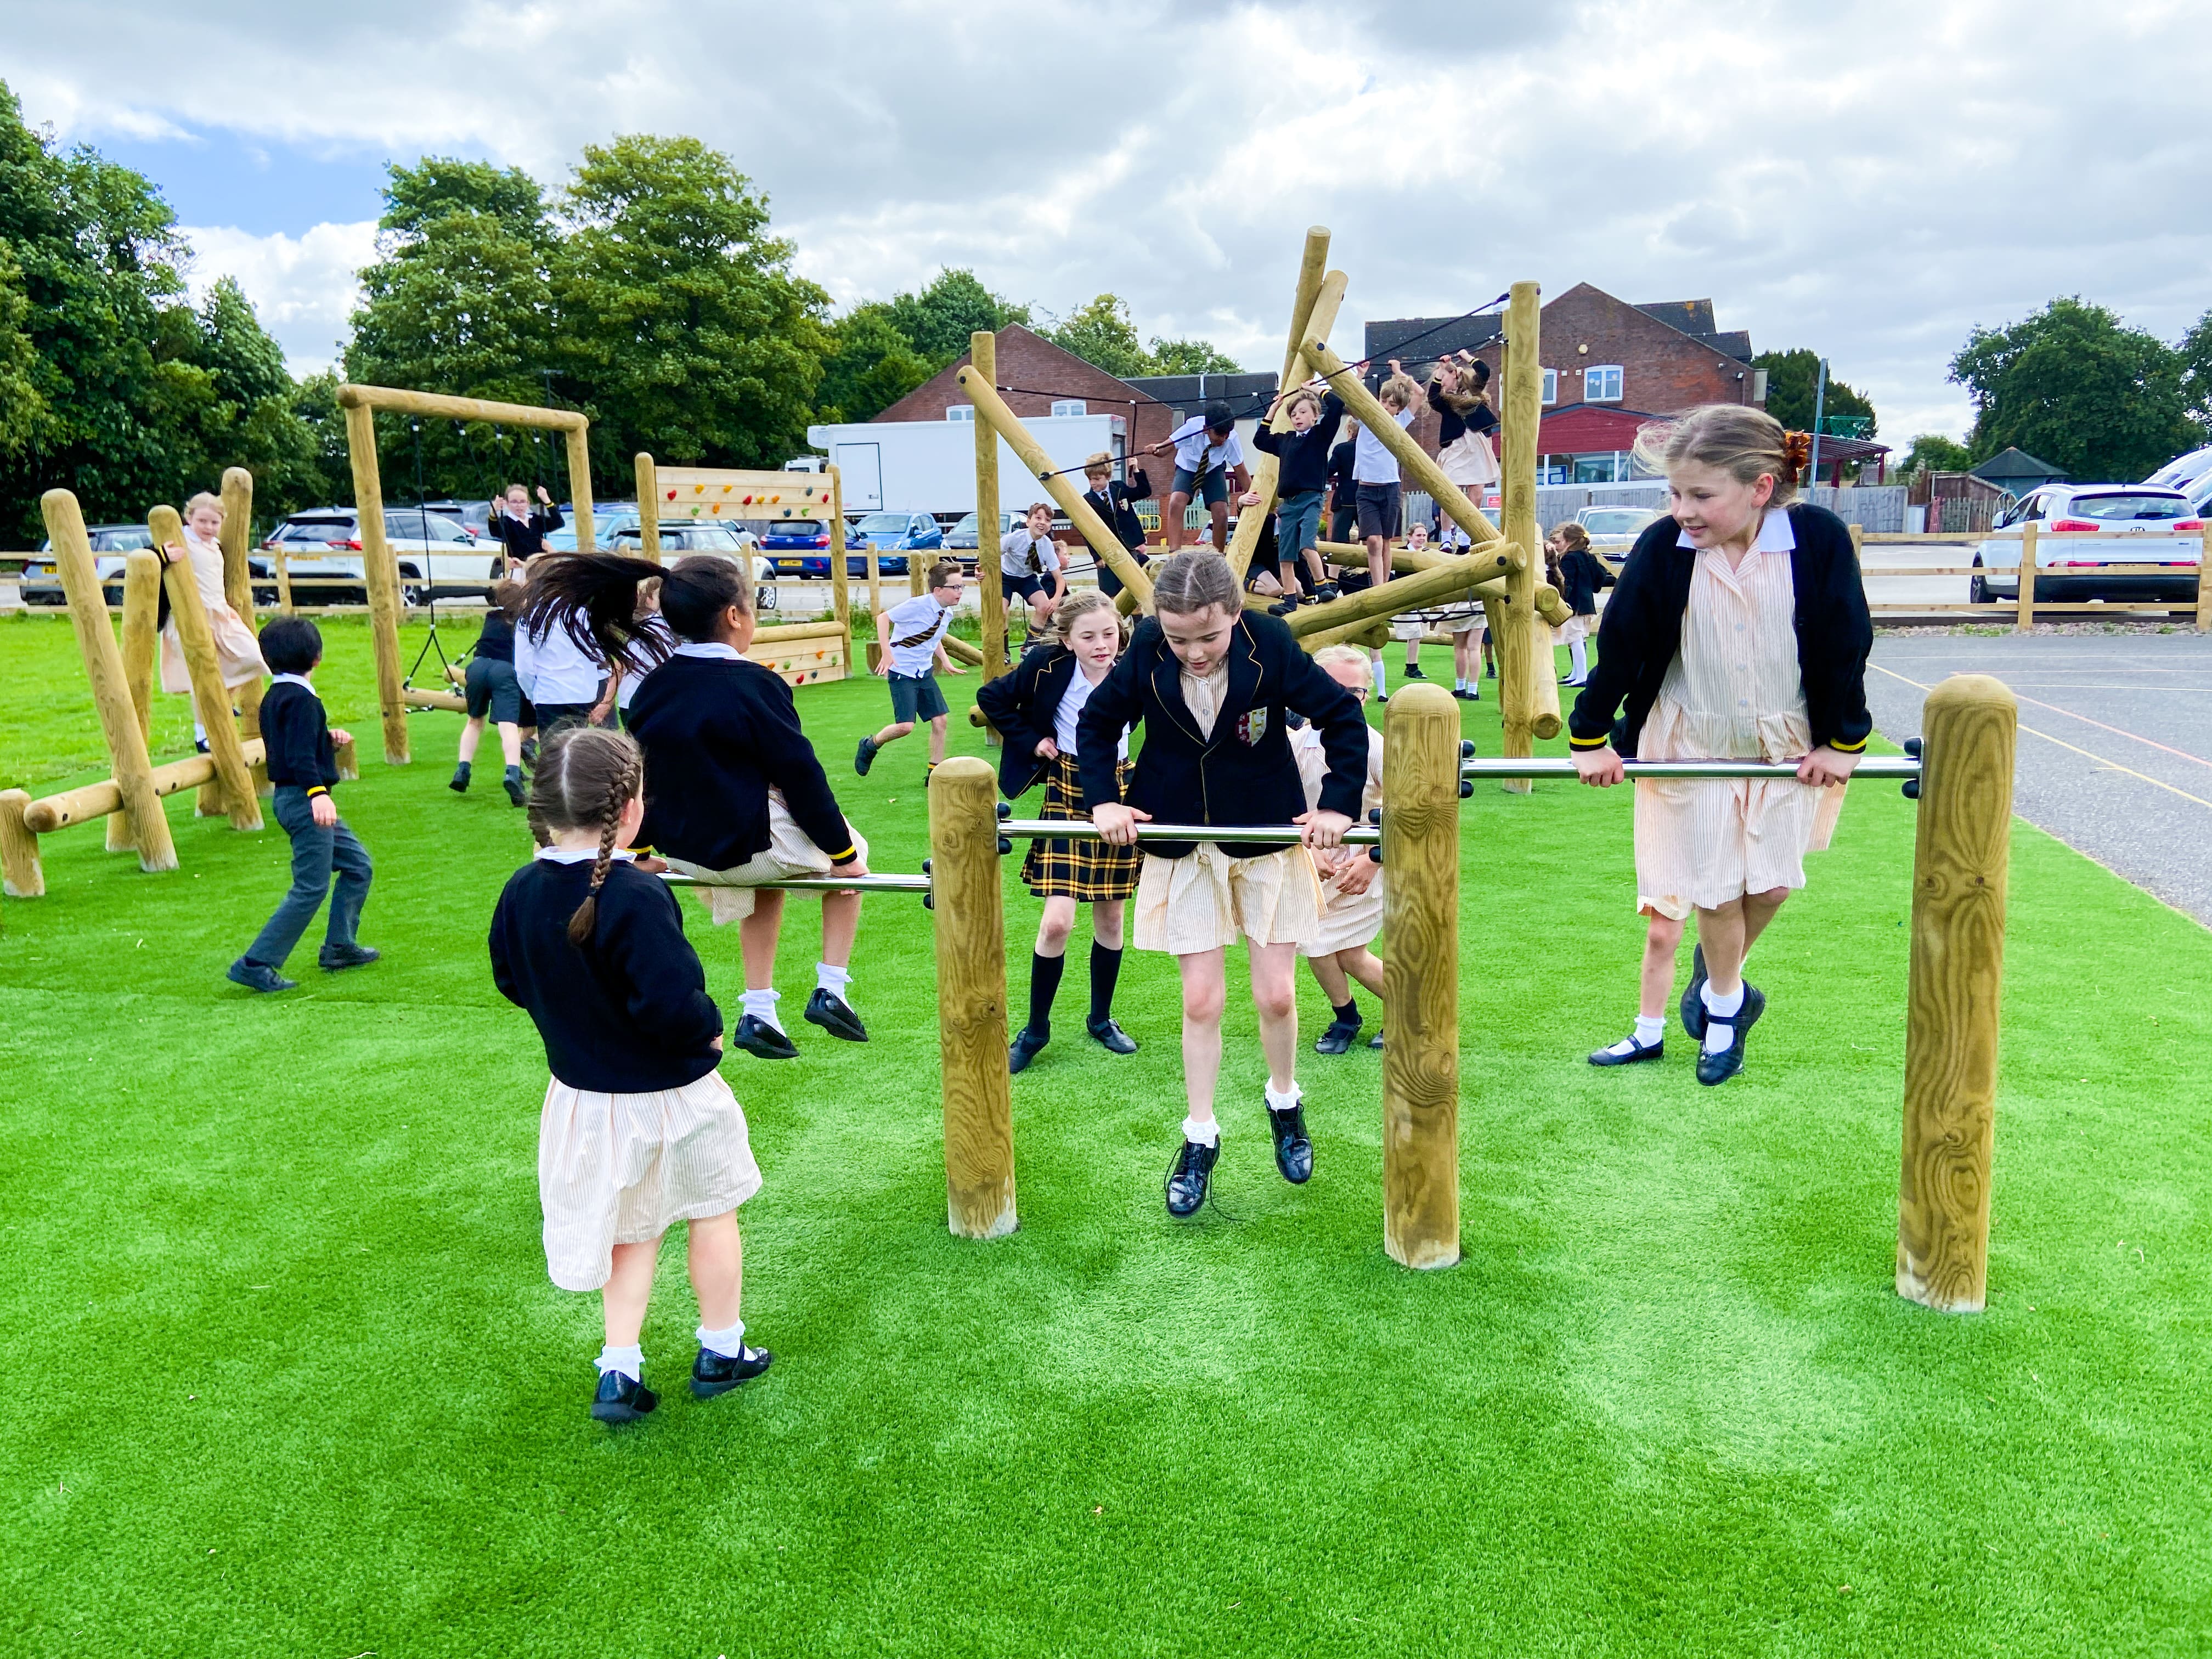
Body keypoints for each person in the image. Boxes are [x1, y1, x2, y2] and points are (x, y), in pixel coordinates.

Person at [1570, 407, 1871, 1086]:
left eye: (1701, 495)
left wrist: (1844, 739)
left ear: (1762, 487)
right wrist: (1589, 736)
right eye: (1675, 494)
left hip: (1784, 737)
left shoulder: (1815, 540)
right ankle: (1727, 1013)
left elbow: (1845, 639)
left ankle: (1714, 981)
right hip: (1690, 736)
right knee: (1714, 889)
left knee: (1770, 882)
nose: (1683, 510)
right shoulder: (1664, 548)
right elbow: (1621, 646)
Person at [488, 726, 772, 1425]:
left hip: (583, 1098)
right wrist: (706, 1029)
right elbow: (672, 1003)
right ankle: (721, 1348)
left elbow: (510, 980)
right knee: (712, 1211)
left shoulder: (522, 889)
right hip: (674, 1097)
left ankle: (620, 1369)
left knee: (630, 1232)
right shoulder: (636, 897)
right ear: (632, 810)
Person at [1076, 551, 1368, 1217]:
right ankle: (1200, 1135)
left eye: (1207, 636)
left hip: (1262, 834)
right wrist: (1103, 802)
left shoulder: (1271, 642)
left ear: (1235, 615)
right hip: (1180, 836)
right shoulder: (1148, 647)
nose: (1194, 652)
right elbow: (1098, 723)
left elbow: (1342, 717)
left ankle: (1285, 1101)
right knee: (1202, 1001)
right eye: (1178, 638)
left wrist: (1337, 806)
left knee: (1275, 996)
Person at [520, 554, 873, 1062]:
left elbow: (643, 778)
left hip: (689, 853)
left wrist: (641, 850)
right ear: (735, 616)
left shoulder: (653, 689)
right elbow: (802, 776)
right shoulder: (756, 685)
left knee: (764, 882)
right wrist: (843, 857)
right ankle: (832, 986)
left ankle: (759, 1009)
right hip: (746, 848)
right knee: (848, 851)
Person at [978, 589, 1143, 1074]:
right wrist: (1034, 740)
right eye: (1088, 636)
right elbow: (992, 698)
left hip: (1121, 787)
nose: (1101, 644)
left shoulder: (1133, 671)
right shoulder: (1047, 667)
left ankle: (1100, 1019)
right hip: (1068, 789)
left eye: (1109, 634)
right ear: (1068, 640)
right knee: (1057, 923)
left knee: (1111, 921)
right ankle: (1036, 1030)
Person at [225, 617, 375, 993]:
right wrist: (317, 794)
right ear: (318, 657)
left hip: (293, 798)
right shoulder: (303, 700)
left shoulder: (277, 697)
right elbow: (297, 756)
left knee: (358, 866)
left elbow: (294, 743)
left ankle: (340, 945)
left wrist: (327, 740)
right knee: (311, 887)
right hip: (305, 800)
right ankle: (256, 962)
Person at [1291, 646, 1388, 1054]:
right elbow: (1287, 803)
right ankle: (1345, 1014)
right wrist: (1306, 847)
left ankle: (1414, 1013)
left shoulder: (1376, 745)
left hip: (1365, 868)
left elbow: (1407, 809)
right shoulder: (1296, 742)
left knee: (1348, 952)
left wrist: (1372, 859)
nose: (1346, 701)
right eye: (1333, 688)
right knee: (1313, 944)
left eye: (1356, 693)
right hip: (1312, 865)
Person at [157, 491, 268, 751]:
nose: (208, 527)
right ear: (189, 518)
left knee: (253, 657)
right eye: (202, 522)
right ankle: (202, 734)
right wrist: (162, 555)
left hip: (220, 613)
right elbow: (145, 560)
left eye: (214, 522)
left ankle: (224, 704)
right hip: (191, 617)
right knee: (204, 676)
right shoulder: (180, 540)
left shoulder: (216, 546)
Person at [856, 561, 968, 779]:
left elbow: (933, 637)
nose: (960, 592)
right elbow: (883, 618)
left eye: (962, 586)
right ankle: (870, 745)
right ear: (938, 590)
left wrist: (945, 661)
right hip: (902, 671)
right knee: (906, 726)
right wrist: (886, 652)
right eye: (955, 587)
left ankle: (934, 774)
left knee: (941, 720)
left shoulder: (946, 614)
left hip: (924, 672)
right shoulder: (918, 605)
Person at [1353, 366, 1423, 698]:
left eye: (1393, 404)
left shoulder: (1400, 422)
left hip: (1391, 487)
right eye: (1384, 401)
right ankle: (1378, 586)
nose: (1387, 408)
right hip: (1367, 489)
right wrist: (1361, 375)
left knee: (1388, 542)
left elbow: (1419, 395)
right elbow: (1354, 397)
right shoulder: (1368, 418)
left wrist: (1400, 375)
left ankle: (1385, 581)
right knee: (1373, 540)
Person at [1245, 386, 1346, 613]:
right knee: (1286, 555)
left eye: (1302, 412)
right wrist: (1274, 409)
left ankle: (1323, 586)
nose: (1297, 417)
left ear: (1315, 415)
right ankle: (1290, 600)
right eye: (1294, 414)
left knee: (1307, 545)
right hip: (1288, 504)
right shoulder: (1286, 440)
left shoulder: (1321, 435)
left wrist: (1316, 390)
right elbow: (1260, 440)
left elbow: (1337, 405)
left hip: (1311, 499)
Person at [453, 579, 529, 805]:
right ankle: (512, 773)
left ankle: (463, 769)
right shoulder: (522, 622)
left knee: (474, 721)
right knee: (509, 726)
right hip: (504, 669)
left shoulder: (491, 617)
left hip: (477, 667)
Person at [513, 557, 608, 737]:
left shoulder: (529, 617)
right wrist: (596, 684)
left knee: (553, 754)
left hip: (549, 694)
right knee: (577, 749)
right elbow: (598, 655)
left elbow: (523, 667)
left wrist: (531, 693)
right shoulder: (583, 614)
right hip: (581, 692)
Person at [1149, 400, 1250, 552]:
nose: (1223, 439)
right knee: (1176, 502)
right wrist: (1156, 449)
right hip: (1188, 468)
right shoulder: (1192, 427)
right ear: (1206, 429)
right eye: (1219, 435)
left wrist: (1253, 496)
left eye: (1226, 435)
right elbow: (1165, 449)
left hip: (1214, 470)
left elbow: (1241, 471)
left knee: (1221, 512)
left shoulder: (1231, 439)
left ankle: (1218, 555)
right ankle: (1175, 554)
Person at [1078, 453, 1153, 601]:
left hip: (1128, 546)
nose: (1093, 483)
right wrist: (1097, 556)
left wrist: (1136, 470)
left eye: (1097, 479)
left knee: (1133, 589)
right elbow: (1087, 532)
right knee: (1109, 593)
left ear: (1108, 477)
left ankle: (1138, 622)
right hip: (1106, 552)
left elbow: (1144, 491)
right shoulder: (1087, 501)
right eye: (1090, 479)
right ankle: (1114, 623)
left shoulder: (1120, 488)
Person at [1551, 521, 1614, 687]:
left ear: (1569, 541)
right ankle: (1576, 674)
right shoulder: (1589, 557)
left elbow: (1567, 583)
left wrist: (1563, 600)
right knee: (1576, 638)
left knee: (1576, 639)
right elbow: (1600, 577)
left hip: (1575, 605)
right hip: (1586, 603)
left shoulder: (1569, 558)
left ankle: (1582, 676)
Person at [1427, 352, 1500, 495]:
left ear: (1454, 373)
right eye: (1439, 377)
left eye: (1443, 376)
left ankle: (1472, 518)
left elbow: (1484, 371)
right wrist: (1441, 370)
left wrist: (1467, 357)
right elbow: (1432, 398)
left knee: (1477, 488)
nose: (1441, 381)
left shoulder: (1472, 389)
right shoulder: (1443, 400)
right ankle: (1447, 519)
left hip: (1478, 441)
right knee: (1451, 489)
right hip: (1456, 444)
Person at [999, 503, 1066, 637]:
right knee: (1000, 611)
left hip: (1027, 577)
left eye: (1047, 520)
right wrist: (980, 570)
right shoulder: (1013, 538)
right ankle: (1004, 651)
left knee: (1044, 607)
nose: (1042, 523)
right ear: (1028, 521)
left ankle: (1030, 647)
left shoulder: (1047, 545)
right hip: (1005, 576)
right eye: (1038, 518)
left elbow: (1060, 579)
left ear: (1050, 527)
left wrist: (1056, 599)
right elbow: (989, 557)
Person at [486, 483, 564, 572]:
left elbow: (559, 523)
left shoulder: (535, 519)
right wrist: (493, 512)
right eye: (514, 502)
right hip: (518, 567)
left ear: (528, 503)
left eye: (522, 502)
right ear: (507, 503)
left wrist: (547, 500)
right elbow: (494, 530)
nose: (519, 505)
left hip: (540, 567)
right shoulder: (506, 522)